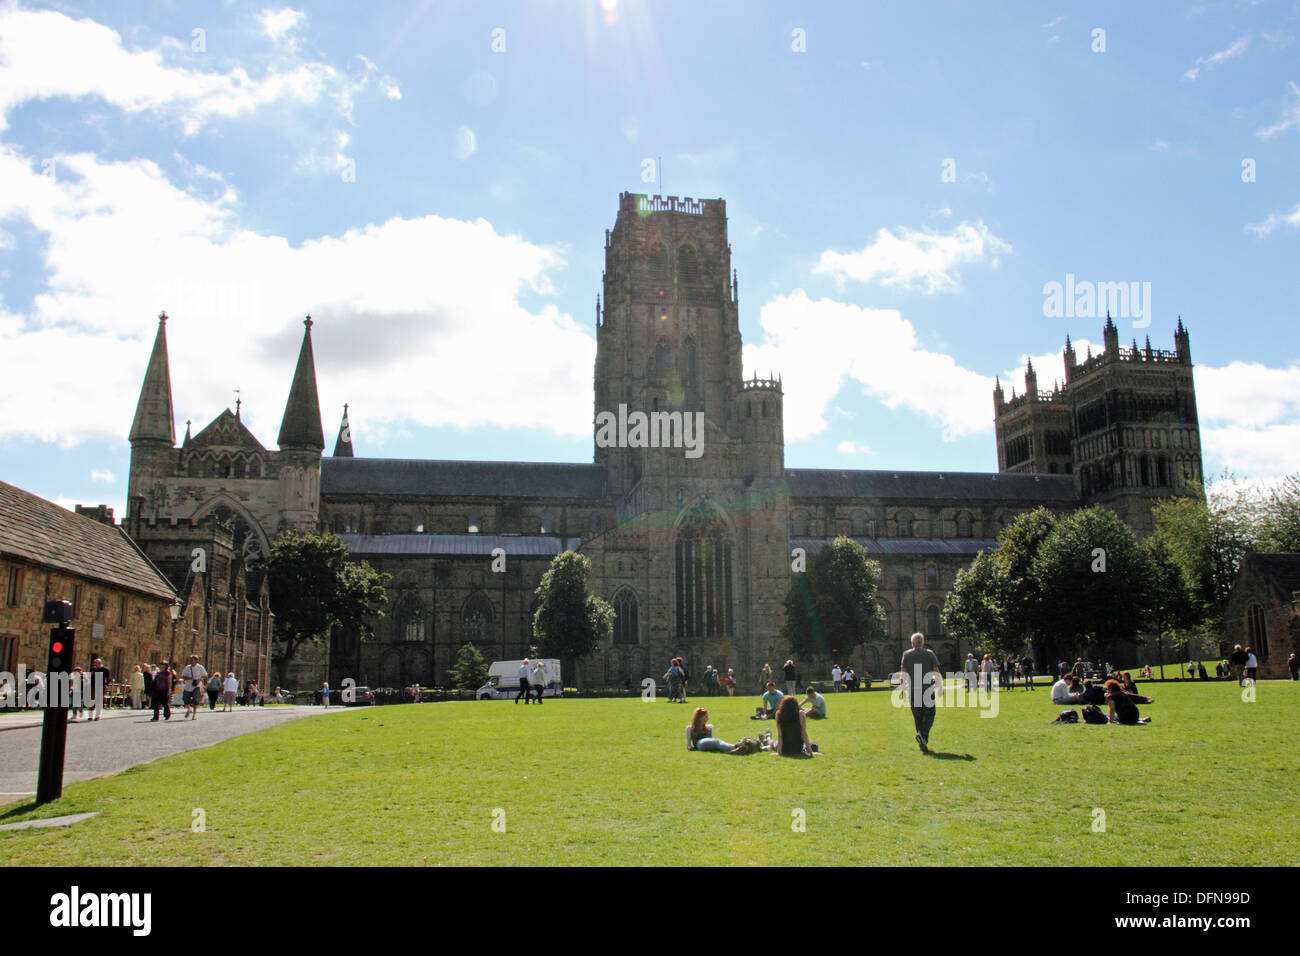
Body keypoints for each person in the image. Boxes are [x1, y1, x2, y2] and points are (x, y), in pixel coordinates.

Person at [900, 632, 941, 754]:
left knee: (918, 717)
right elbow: (936, 671)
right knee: (930, 714)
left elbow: (903, 673)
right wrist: (940, 686)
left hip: (913, 690)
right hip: (927, 689)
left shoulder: (906, 655)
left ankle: (922, 741)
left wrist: (902, 689)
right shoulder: (929, 654)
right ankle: (923, 735)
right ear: (922, 643)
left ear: (912, 643)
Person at [686, 707, 762, 754]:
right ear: (699, 718)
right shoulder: (690, 728)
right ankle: (735, 746)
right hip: (700, 744)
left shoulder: (709, 727)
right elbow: (689, 745)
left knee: (719, 748)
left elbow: (711, 741)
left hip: (710, 744)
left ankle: (734, 751)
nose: (707, 718)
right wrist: (690, 747)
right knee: (717, 741)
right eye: (705, 717)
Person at [180, 655, 207, 721]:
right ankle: (189, 709)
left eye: (192, 660)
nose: (191, 661)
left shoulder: (200, 667)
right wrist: (189, 678)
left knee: (196, 700)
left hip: (196, 686)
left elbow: (205, 675)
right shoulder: (187, 667)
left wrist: (199, 679)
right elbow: (183, 676)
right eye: (191, 660)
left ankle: (194, 715)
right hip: (188, 686)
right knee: (185, 699)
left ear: (196, 661)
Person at [88, 656, 111, 721]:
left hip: (100, 686)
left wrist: (106, 685)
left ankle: (97, 715)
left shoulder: (105, 670)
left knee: (99, 701)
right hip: (93, 686)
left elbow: (108, 679)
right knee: (91, 701)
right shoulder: (92, 669)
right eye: (94, 662)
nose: (95, 664)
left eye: (96, 662)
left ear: (100, 663)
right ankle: (90, 716)